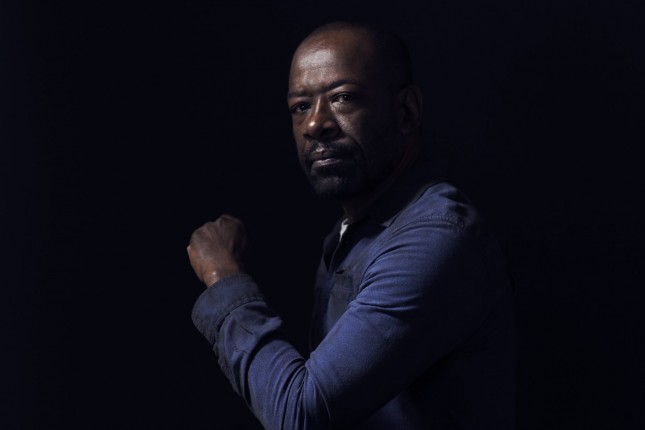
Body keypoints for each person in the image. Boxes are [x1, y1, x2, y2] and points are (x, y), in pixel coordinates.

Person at [187, 21, 516, 429]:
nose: (314, 125)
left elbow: (299, 413)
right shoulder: (352, 235)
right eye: (300, 107)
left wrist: (223, 276)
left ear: (407, 111)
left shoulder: (437, 237)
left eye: (342, 98)